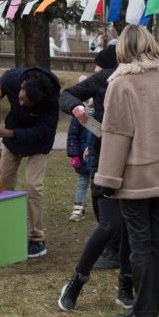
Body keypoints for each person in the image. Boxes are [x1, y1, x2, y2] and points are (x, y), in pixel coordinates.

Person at [94, 24, 159, 317]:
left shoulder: (122, 84)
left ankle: (143, 311)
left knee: (140, 244)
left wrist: (107, 180)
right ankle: (149, 307)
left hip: (136, 177)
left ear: (123, 49)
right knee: (155, 242)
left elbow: (116, 135)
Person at [58, 43, 135, 313]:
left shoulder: (140, 80)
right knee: (110, 225)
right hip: (105, 162)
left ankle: (126, 286)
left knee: (129, 227)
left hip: (135, 163)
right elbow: (67, 94)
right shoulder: (104, 79)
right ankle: (76, 282)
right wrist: (76, 107)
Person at [0, 67, 60, 259]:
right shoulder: (11, 79)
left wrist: (9, 132)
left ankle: (36, 239)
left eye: (26, 102)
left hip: (38, 142)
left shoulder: (51, 98)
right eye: (20, 97)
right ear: (22, 86)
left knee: (33, 187)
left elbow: (45, 132)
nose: (21, 102)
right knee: (3, 184)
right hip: (13, 140)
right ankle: (4, 231)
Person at [66, 75, 92, 222]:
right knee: (82, 181)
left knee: (98, 184)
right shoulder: (77, 115)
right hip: (82, 158)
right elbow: (72, 136)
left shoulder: (100, 112)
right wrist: (74, 155)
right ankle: (78, 208)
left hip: (95, 156)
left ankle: (101, 208)